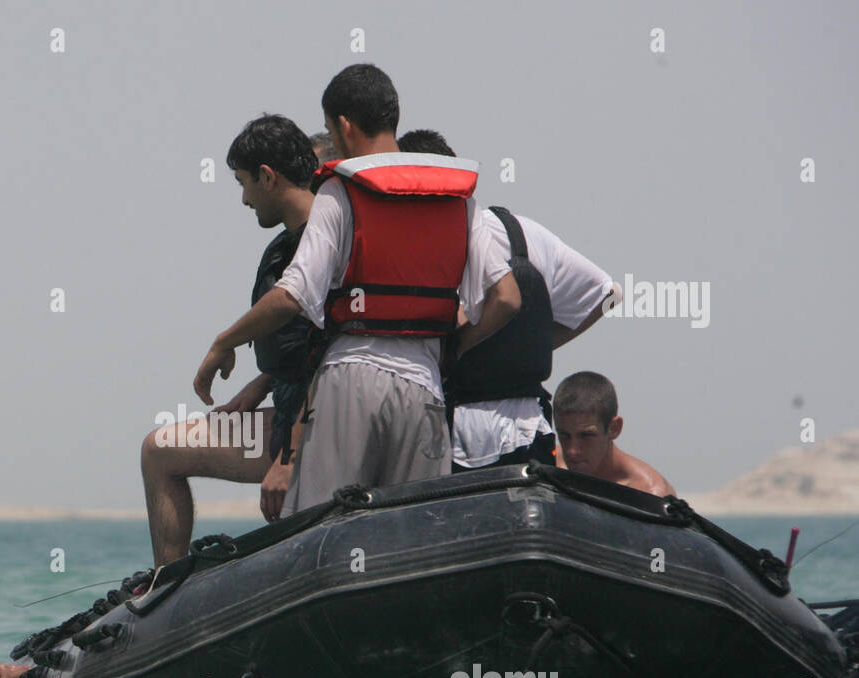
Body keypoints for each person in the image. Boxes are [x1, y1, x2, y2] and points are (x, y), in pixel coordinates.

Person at [193, 65, 518, 516]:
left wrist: (224, 341)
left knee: (321, 527)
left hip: (351, 383)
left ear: (343, 126)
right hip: (424, 391)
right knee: (411, 538)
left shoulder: (339, 190)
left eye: (329, 128)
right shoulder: (459, 198)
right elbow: (507, 298)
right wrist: (455, 348)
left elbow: (292, 296)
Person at [140, 115, 318, 565]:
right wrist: (258, 386)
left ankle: (166, 592)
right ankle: (169, 588)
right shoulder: (288, 245)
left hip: (308, 425)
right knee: (160, 448)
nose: (243, 198)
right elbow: (301, 344)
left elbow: (330, 357)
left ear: (268, 176)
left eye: (243, 182)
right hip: (289, 407)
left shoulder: (323, 242)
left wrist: (287, 458)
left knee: (159, 452)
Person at [397, 129, 617, 471]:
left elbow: (604, 296)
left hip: (451, 432)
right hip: (525, 430)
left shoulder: (416, 248)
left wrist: (461, 348)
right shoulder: (525, 232)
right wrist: (536, 344)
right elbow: (606, 295)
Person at [552, 371, 675, 495]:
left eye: (586, 436)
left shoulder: (649, 494)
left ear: (614, 428)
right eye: (564, 435)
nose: (572, 451)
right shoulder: (548, 467)